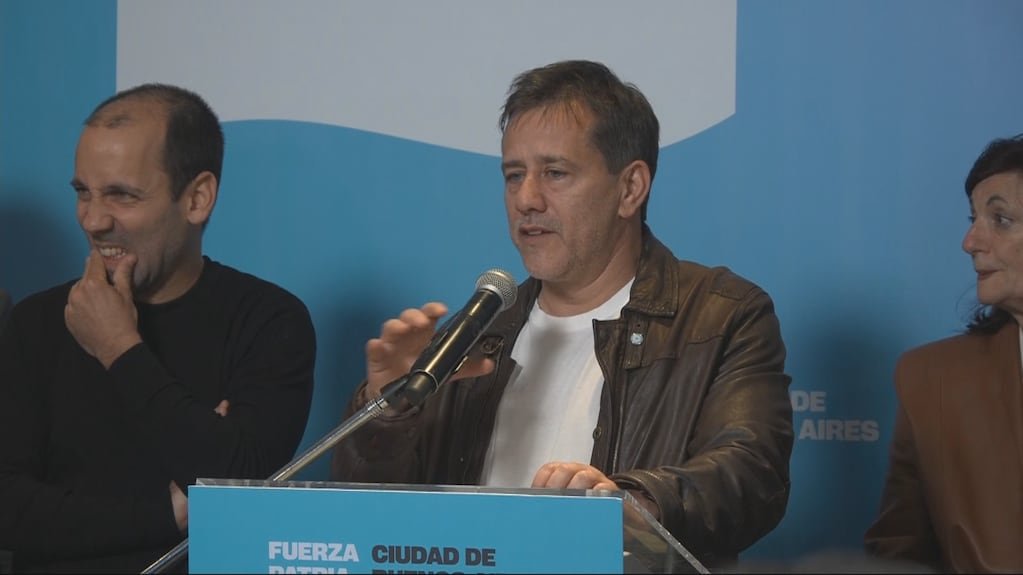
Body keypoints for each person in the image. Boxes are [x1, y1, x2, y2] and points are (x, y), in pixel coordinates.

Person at [331, 60, 793, 566]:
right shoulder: (475, 335)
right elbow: (369, 525)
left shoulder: (721, 316)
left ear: (630, 188)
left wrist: (631, 504)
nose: (526, 199)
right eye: (514, 175)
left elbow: (751, 476)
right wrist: (389, 410)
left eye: (555, 173)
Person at [0, 84, 316, 573]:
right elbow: (9, 510)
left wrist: (119, 348)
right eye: (83, 192)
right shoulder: (35, 322)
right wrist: (167, 513)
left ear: (197, 198)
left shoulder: (269, 322)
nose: (93, 220)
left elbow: (234, 486)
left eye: (122, 195)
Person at [864, 134, 1023, 573]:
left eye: (1001, 219)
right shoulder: (932, 380)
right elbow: (898, 554)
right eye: (974, 218)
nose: (970, 242)